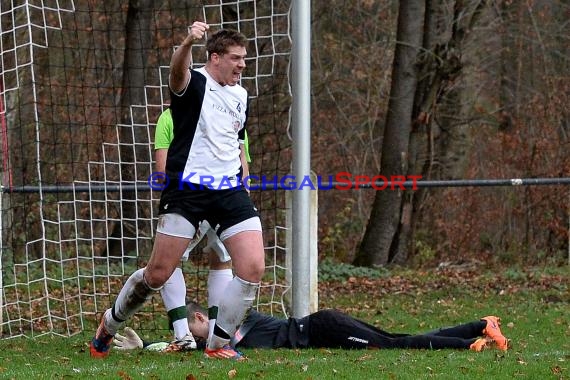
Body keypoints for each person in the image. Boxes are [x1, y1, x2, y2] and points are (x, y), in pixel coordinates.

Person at [90, 21, 265, 361]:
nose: (242, 64)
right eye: (235, 58)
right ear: (214, 58)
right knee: (158, 274)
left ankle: (216, 346)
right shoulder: (193, 81)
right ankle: (109, 324)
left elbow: (235, 140)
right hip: (187, 192)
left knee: (253, 267)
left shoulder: (241, 95)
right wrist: (187, 42)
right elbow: (176, 70)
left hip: (229, 191)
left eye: (244, 58)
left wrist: (243, 170)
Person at [153, 107, 252, 351]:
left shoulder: (170, 116)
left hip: (189, 203)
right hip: (228, 201)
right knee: (221, 261)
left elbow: (162, 171)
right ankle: (216, 340)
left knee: (168, 263)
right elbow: (243, 169)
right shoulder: (232, 114)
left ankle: (183, 335)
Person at [113, 302, 511, 352]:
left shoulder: (235, 320)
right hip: (325, 325)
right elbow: (193, 348)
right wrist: (148, 344)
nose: (196, 336)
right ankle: (481, 325)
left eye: (193, 328)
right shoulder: (219, 334)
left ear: (202, 318)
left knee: (392, 346)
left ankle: (468, 344)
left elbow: (216, 344)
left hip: (323, 328)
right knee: (394, 339)